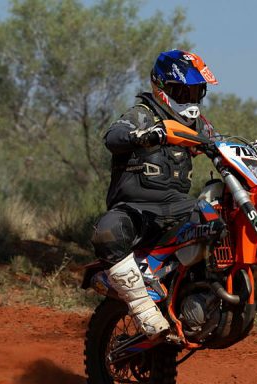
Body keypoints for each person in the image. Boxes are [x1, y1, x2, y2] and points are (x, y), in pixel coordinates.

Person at [90, 49, 219, 339]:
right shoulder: (143, 114)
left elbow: (218, 144)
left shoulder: (198, 126)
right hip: (136, 209)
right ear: (162, 89)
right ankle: (143, 307)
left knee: (217, 216)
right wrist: (146, 135)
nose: (190, 101)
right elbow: (113, 137)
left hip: (177, 209)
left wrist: (250, 149)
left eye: (196, 93)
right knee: (107, 231)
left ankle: (204, 295)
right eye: (182, 93)